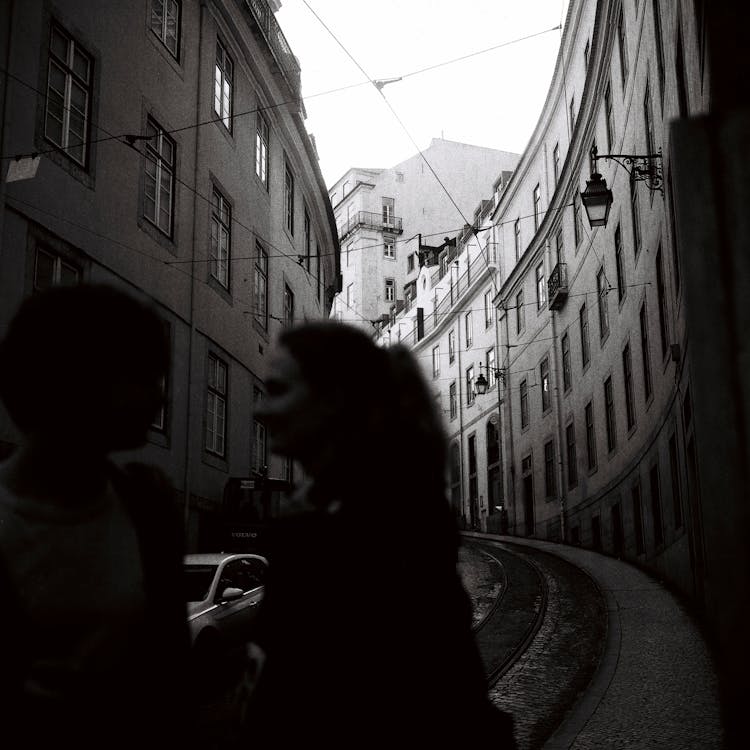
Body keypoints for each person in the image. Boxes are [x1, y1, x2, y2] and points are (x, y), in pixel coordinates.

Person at [246, 321, 516, 747]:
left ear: (332, 399)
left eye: (279, 390)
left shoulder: (380, 538)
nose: (260, 409)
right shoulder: (321, 515)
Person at [0, 284, 193, 749]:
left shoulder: (150, 506)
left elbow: (173, 676)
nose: (160, 400)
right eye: (144, 377)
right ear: (77, 377)